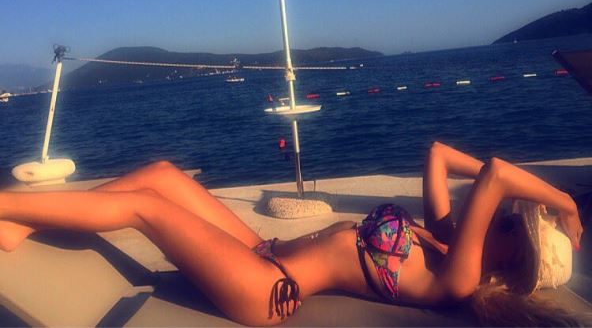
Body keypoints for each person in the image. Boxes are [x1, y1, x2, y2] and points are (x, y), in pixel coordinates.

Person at [0, 142, 583, 326]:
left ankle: (8, 208)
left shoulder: (458, 278)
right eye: (516, 215)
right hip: (262, 252)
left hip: (266, 289)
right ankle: (28, 221)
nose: (508, 216)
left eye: (516, 225)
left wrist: (564, 204)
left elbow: (496, 174)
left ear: (514, 260)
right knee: (161, 175)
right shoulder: (446, 241)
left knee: (145, 207)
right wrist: (550, 205)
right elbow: (437, 155)